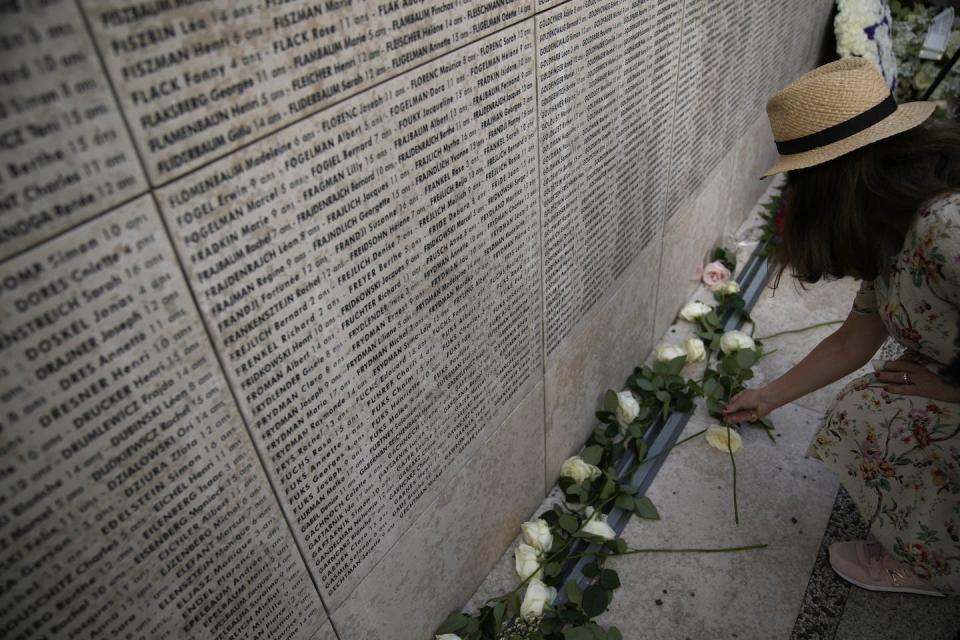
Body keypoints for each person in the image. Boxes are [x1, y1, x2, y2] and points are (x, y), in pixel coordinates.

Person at [722, 58, 960, 597]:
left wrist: (952, 386)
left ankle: (935, 564)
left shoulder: (945, 227)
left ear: (834, 175)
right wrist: (767, 395)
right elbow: (855, 337)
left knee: (879, 417)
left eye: (800, 178)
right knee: (869, 404)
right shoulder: (890, 224)